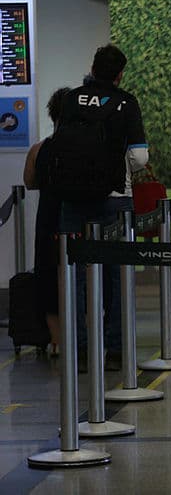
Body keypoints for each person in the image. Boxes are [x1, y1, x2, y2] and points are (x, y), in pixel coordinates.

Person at [57, 45, 149, 372]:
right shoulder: (126, 103)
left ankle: (78, 351)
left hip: (71, 199)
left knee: (74, 278)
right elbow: (139, 158)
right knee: (117, 277)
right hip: (114, 198)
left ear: (92, 68)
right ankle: (115, 350)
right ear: (120, 73)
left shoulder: (71, 99)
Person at [23, 87, 71, 356]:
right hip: (74, 218)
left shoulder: (38, 149)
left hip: (47, 218)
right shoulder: (81, 151)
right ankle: (81, 337)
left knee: (47, 277)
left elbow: (30, 182)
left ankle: (56, 341)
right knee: (80, 277)